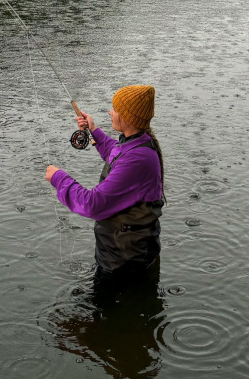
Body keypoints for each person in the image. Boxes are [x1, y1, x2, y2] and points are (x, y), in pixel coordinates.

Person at [45, 84, 165, 282]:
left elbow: (93, 204)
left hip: (125, 263)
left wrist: (59, 178)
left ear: (129, 117)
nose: (111, 112)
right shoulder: (137, 142)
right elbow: (116, 153)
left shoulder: (137, 159)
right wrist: (93, 130)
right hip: (125, 252)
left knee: (108, 309)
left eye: (116, 109)